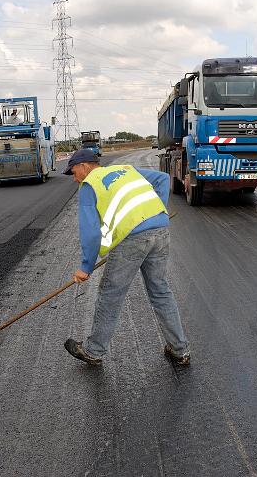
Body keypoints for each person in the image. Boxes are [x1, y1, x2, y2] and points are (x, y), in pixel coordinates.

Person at [62, 148, 190, 366]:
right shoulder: (125, 170)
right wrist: (155, 212)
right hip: (160, 230)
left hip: (133, 239)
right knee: (160, 291)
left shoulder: (89, 186)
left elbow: (91, 232)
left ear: (84, 166)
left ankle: (93, 351)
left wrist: (86, 267)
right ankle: (180, 350)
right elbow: (161, 178)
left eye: (73, 172)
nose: (74, 179)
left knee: (110, 294)